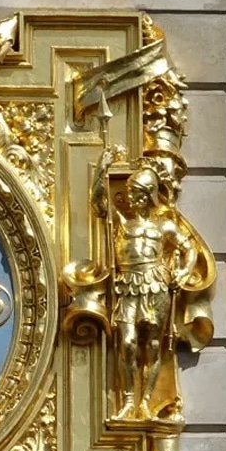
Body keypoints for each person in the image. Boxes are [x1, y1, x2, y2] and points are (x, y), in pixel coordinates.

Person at [93, 149, 197, 421]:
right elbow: (100, 205)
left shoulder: (164, 227)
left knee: (152, 345)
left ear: (150, 195)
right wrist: (100, 172)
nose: (133, 198)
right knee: (126, 343)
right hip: (127, 286)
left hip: (156, 284)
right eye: (131, 193)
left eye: (139, 193)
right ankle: (128, 401)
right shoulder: (121, 224)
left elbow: (189, 250)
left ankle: (146, 402)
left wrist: (183, 273)